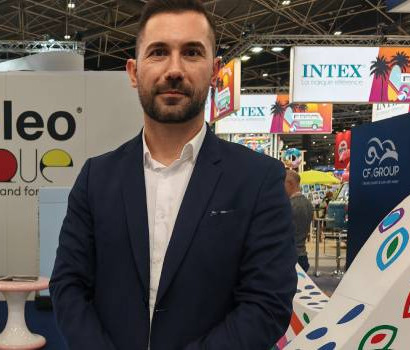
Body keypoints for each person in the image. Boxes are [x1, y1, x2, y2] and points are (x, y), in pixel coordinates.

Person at [49, 1, 296, 349]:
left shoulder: (258, 179)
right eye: (159, 52)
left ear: (214, 70)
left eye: (192, 52)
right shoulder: (97, 178)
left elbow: (267, 304)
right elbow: (68, 286)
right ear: (134, 72)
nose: (174, 69)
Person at [285, 170, 314, 272]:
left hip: (289, 258)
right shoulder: (308, 204)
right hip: (302, 255)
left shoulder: (288, 206)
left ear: (291, 183)